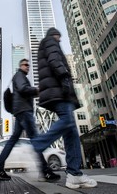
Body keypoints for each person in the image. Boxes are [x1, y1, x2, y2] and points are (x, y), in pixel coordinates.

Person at [31, 27, 97, 189]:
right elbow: (55, 60)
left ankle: (74, 173)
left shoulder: (45, 44)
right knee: (67, 122)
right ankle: (37, 145)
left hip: (56, 91)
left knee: (71, 132)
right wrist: (65, 78)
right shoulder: (50, 41)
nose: (60, 40)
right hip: (59, 91)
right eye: (59, 37)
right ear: (56, 35)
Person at [0, 59, 60, 182]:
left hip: (20, 111)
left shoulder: (20, 76)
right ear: (20, 66)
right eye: (25, 65)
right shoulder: (19, 75)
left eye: (28, 65)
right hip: (24, 111)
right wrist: (36, 90)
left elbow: (23, 91)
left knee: (13, 140)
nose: (27, 67)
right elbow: (23, 89)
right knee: (35, 140)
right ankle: (45, 171)